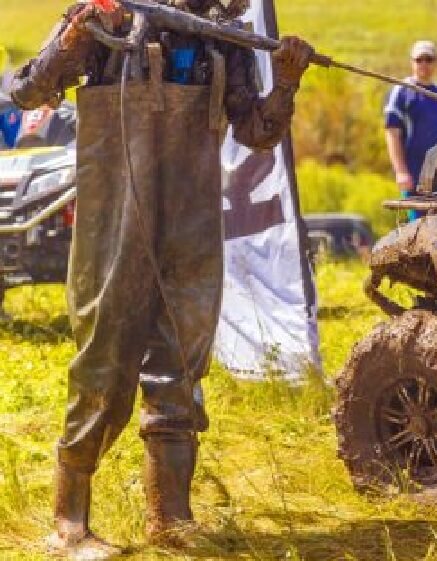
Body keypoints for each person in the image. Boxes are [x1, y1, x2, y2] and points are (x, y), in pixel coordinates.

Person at [8, 1, 312, 557]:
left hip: (190, 221)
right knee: (104, 362)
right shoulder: (111, 15)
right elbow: (29, 91)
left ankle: (170, 517)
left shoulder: (226, 40)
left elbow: (255, 134)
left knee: (181, 367)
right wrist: (76, 35)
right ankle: (68, 522)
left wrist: (286, 84)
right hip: (114, 215)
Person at [384, 40, 437, 221]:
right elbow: (392, 133)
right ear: (411, 62)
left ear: (435, 63)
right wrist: (400, 171)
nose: (423, 64)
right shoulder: (402, 91)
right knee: (417, 226)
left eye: (428, 59)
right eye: (419, 59)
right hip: (413, 174)